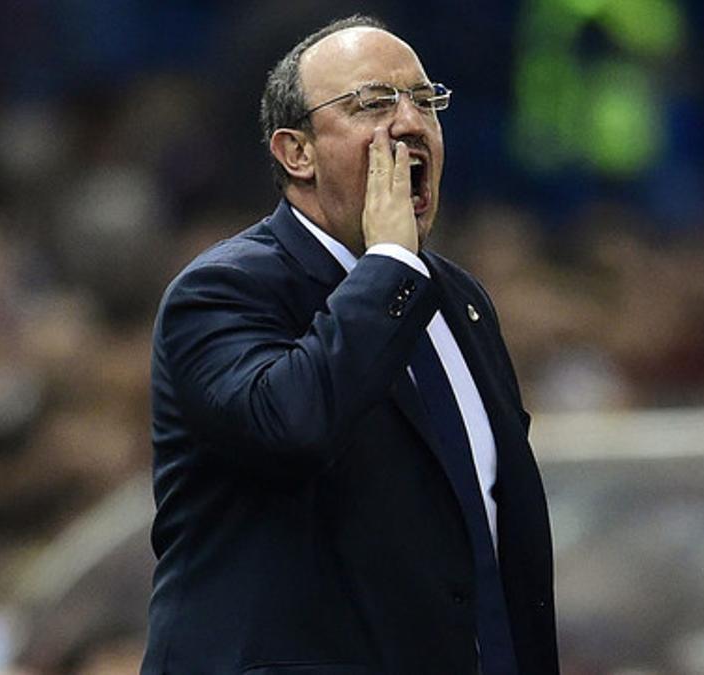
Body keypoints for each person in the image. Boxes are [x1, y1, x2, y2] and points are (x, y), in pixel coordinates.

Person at [141, 15, 557, 675]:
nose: (410, 122)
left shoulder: (461, 300)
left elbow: (494, 527)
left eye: (425, 101)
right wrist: (388, 261)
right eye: (372, 104)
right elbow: (292, 425)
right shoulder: (222, 290)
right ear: (295, 152)